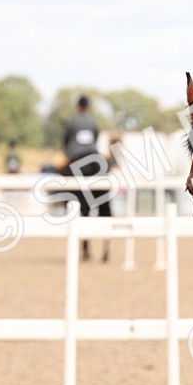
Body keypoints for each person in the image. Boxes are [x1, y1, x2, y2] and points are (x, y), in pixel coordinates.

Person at [61, 95, 112, 261]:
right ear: (88, 107)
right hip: (94, 156)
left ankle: (62, 201)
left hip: (75, 157)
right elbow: (96, 137)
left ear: (77, 106)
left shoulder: (71, 120)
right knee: (105, 204)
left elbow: (66, 140)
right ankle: (106, 248)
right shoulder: (92, 120)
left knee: (62, 179)